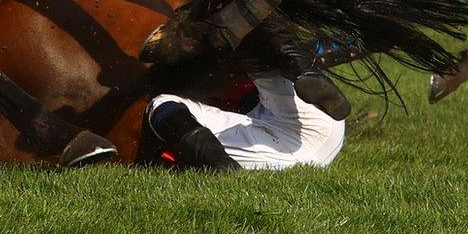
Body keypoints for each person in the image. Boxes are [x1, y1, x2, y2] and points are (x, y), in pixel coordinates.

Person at [145, 73, 345, 171]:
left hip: (278, 158)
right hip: (327, 127)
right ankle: (300, 69)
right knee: (259, 57)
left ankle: (217, 164)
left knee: (163, 102)